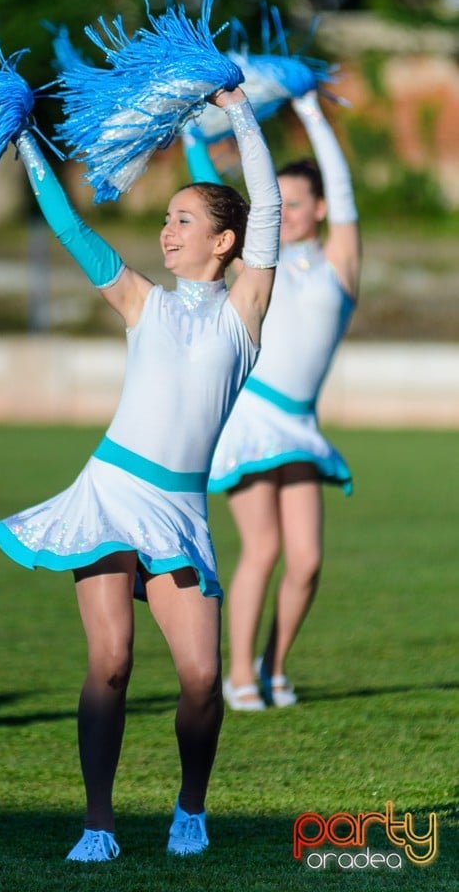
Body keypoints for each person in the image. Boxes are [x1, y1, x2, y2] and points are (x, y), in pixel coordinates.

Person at [0, 85, 281, 861]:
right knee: (111, 662)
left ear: (225, 242)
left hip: (179, 511)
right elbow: (72, 228)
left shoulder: (244, 312)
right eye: (166, 218)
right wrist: (25, 141)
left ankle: (190, 808)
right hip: (111, 492)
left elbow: (270, 208)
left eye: (184, 219)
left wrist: (239, 111)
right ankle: (98, 822)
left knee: (199, 682)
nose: (167, 229)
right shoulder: (142, 302)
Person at [184, 89, 361, 711]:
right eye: (277, 202)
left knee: (307, 561)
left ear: (318, 210)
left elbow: (344, 194)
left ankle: (273, 664)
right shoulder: (260, 265)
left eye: (296, 203)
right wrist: (194, 139)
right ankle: (237, 676)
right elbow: (219, 197)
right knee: (263, 549)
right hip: (253, 416)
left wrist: (311, 111)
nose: (283, 211)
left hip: (302, 427)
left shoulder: (339, 264)